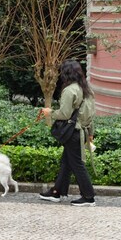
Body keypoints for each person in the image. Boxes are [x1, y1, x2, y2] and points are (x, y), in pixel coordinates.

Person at [38, 59, 96, 207]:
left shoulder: (70, 90)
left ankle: (88, 196)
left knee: (77, 164)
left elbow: (64, 114)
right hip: (81, 131)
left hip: (73, 132)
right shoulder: (86, 88)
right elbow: (90, 114)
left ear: (66, 73)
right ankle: (56, 192)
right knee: (66, 163)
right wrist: (91, 133)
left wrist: (50, 112)